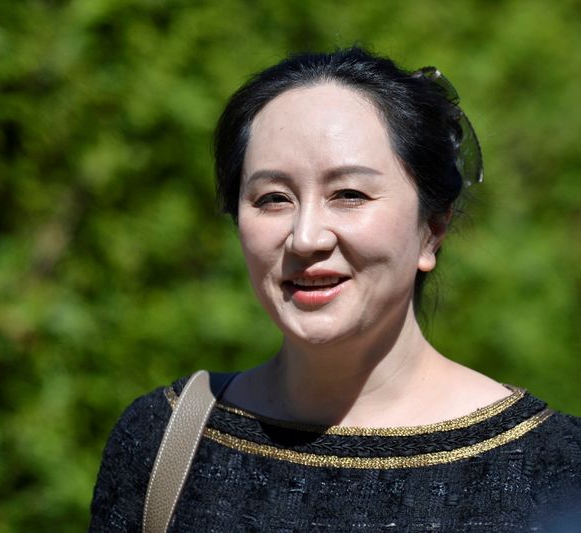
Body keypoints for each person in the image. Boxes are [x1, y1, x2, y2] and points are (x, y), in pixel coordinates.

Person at [90, 47, 581, 531]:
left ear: (431, 228)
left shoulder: (553, 469)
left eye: (349, 195)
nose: (306, 237)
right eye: (273, 198)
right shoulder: (164, 441)